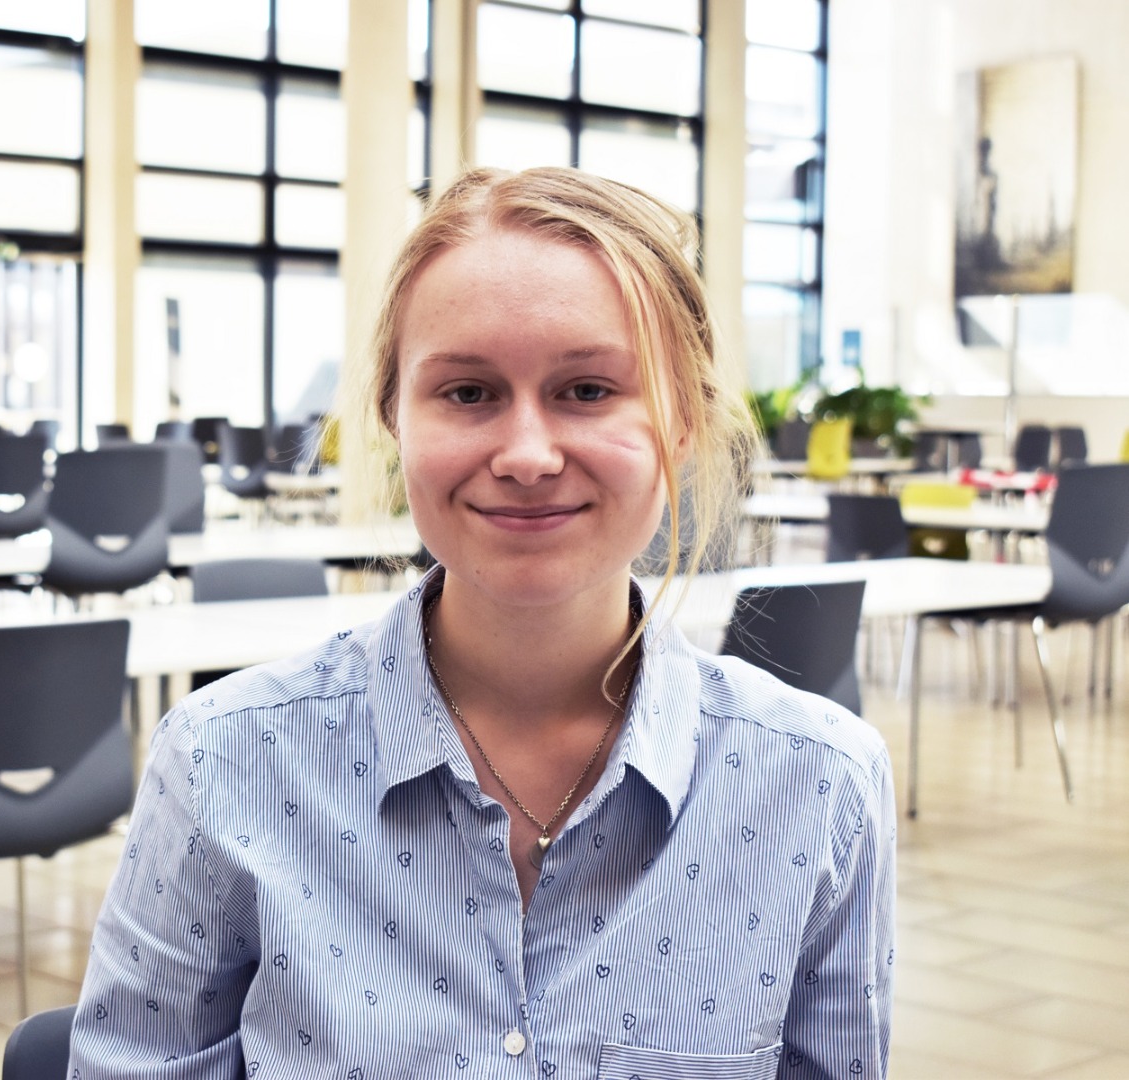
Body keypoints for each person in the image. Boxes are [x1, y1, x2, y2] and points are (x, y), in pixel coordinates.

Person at [68, 167, 896, 1078]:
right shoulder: (226, 766)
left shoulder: (819, 786)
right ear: (393, 417)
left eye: (587, 390)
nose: (529, 456)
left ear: (685, 419)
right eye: (468, 393)